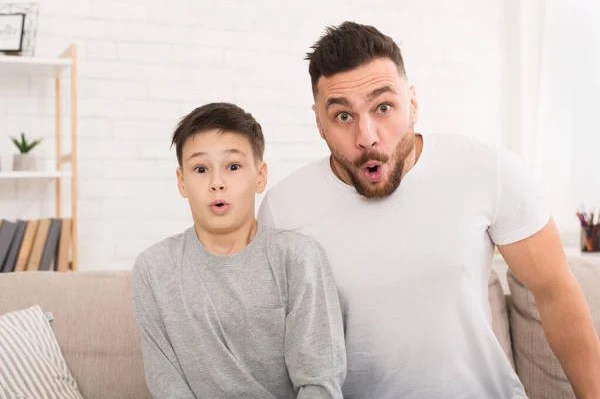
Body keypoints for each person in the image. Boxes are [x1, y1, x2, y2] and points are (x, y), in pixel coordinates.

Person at [257, 21, 600, 398]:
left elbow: (555, 293)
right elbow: (272, 348)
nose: (367, 136)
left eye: (383, 107)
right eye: (343, 116)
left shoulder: (488, 170)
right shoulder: (284, 209)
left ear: (413, 104)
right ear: (320, 123)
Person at [131, 102, 346, 399]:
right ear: (182, 181)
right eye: (201, 169)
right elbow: (167, 384)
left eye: (233, 167)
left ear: (260, 176)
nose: (217, 183)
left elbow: (320, 383)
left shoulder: (298, 258)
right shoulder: (154, 269)